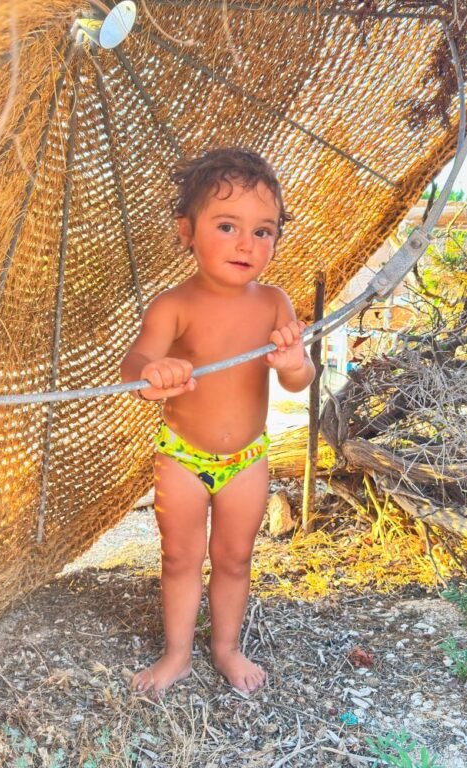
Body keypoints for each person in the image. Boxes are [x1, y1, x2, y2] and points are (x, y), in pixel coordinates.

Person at [121, 148, 316, 694]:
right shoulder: (172, 306)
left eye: (263, 231)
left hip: (247, 458)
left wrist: (295, 363)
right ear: (187, 231)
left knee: (234, 558)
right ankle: (177, 654)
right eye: (227, 225)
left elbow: (299, 379)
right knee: (181, 557)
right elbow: (134, 365)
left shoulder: (275, 303)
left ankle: (227, 647)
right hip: (182, 455)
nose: (246, 243)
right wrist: (153, 372)